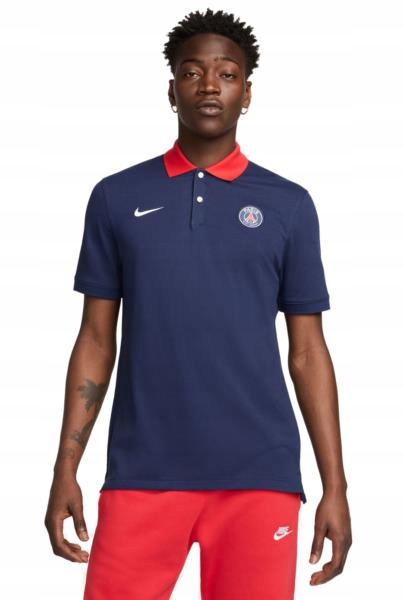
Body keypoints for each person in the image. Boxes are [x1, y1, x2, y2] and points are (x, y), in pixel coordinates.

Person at [44, 8, 352, 599]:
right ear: (171, 90)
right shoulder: (116, 197)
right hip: (141, 473)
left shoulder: (288, 205)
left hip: (260, 476)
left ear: (247, 94)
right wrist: (65, 467)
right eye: (192, 72)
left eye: (227, 74)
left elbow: (308, 353)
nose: (210, 85)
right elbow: (96, 339)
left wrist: (334, 487)